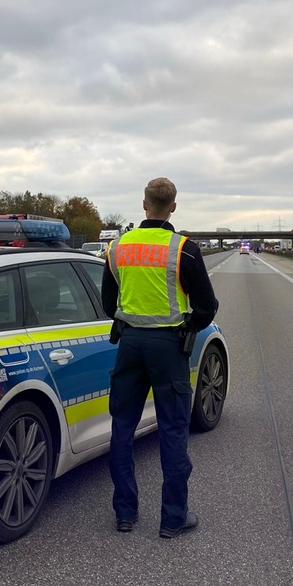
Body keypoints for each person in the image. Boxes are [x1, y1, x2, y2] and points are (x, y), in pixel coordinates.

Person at [102, 177, 219, 538]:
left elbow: (109, 305)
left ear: (143, 205)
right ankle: (172, 518)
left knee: (122, 428)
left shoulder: (117, 248)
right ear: (173, 206)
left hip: (130, 345)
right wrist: (188, 326)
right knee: (172, 430)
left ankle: (125, 513)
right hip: (169, 348)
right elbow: (207, 307)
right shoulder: (183, 249)